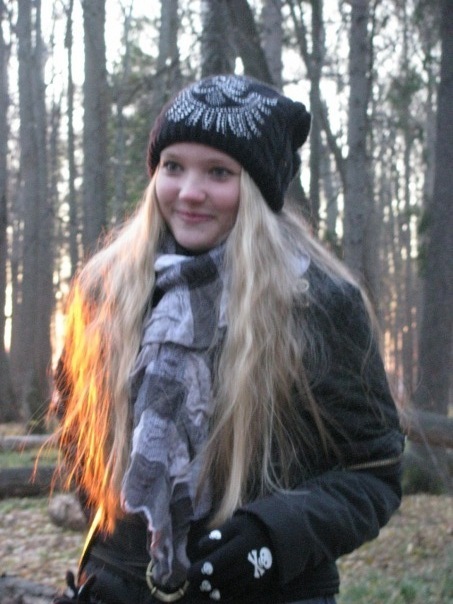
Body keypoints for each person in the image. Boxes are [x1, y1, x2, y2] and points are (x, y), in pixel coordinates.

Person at [51, 74, 404, 604]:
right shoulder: (106, 289)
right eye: (173, 166)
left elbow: (374, 473)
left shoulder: (318, 303)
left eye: (219, 172)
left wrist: (271, 537)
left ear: (259, 188)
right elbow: (76, 429)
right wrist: (124, 545)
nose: (189, 192)